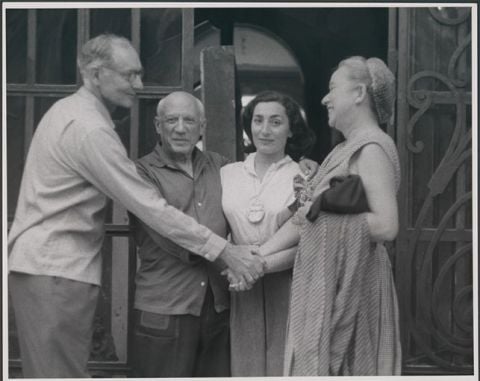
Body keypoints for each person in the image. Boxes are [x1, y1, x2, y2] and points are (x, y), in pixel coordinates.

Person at [7, 34, 264, 378]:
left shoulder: (70, 113)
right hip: (56, 272)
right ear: (96, 74)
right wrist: (226, 251)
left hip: (50, 270)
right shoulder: (89, 129)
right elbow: (150, 207)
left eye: (139, 74)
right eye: (129, 75)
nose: (139, 84)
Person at [260, 56, 402, 376]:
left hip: (356, 281)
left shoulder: (373, 148)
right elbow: (307, 216)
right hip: (329, 279)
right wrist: (259, 253)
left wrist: (326, 221)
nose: (325, 98)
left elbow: (387, 225)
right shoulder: (341, 150)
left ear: (359, 93)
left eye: (333, 88)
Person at [130, 92, 231, 377]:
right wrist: (229, 253)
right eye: (171, 120)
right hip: (166, 307)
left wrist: (303, 170)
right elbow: (168, 234)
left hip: (217, 307)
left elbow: (258, 190)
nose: (180, 128)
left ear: (202, 126)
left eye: (189, 120)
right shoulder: (141, 172)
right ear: (157, 125)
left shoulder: (221, 165)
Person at [220, 91, 316, 376]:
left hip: (287, 282)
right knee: (244, 366)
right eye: (258, 120)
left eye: (275, 122)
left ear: (291, 129)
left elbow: (308, 238)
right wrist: (237, 265)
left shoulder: (305, 176)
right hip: (239, 283)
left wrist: (258, 264)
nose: (265, 130)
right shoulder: (228, 173)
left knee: (283, 366)